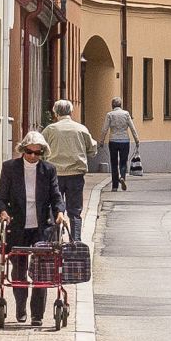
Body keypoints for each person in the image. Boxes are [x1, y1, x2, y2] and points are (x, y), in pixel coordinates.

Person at [0, 132, 60, 327]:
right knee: (19, 270)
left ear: (42, 153)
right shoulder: (10, 168)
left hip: (41, 228)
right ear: (23, 150)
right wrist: (3, 212)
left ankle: (37, 315)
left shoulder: (48, 170)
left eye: (37, 153)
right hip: (18, 226)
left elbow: (56, 197)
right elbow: (0, 197)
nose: (32, 156)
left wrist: (60, 213)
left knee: (40, 272)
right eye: (29, 152)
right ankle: (20, 308)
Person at [45, 99, 98, 241]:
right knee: (75, 211)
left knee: (54, 208)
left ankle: (55, 240)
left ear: (56, 113)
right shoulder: (81, 129)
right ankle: (76, 241)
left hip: (55, 174)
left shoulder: (50, 129)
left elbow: (42, 148)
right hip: (75, 174)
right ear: (71, 112)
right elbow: (92, 149)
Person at [102, 97, 136, 191]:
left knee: (114, 163)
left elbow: (105, 129)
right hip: (125, 141)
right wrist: (137, 140)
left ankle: (115, 186)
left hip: (113, 141)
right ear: (121, 105)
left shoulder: (110, 115)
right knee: (123, 162)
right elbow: (132, 128)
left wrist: (101, 141)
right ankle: (122, 177)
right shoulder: (126, 114)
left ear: (112, 105)